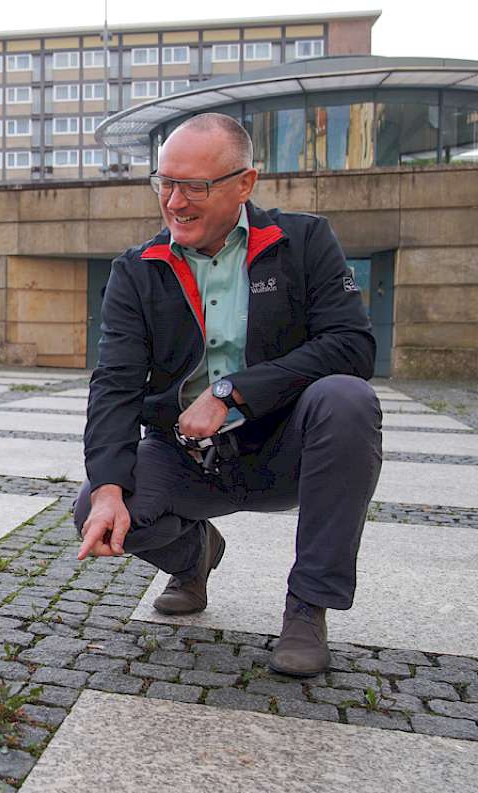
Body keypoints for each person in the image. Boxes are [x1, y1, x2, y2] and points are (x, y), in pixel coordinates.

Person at [74, 113, 381, 677]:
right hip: (187, 457)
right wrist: (110, 488)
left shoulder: (303, 241)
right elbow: (115, 384)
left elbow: (352, 347)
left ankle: (307, 607)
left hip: (287, 448)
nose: (176, 202)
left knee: (347, 400)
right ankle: (196, 556)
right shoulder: (137, 270)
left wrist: (231, 392)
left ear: (245, 183)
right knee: (96, 505)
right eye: (166, 183)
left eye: (195, 186)